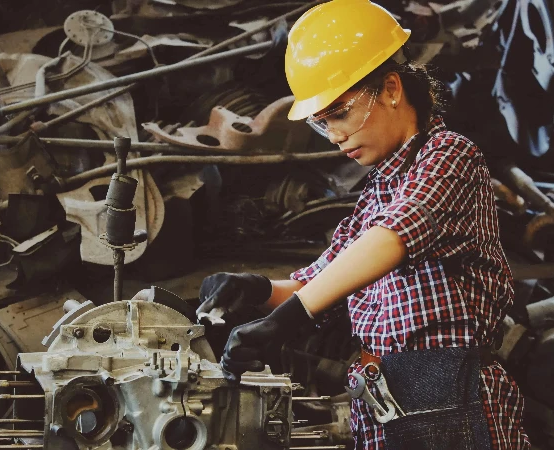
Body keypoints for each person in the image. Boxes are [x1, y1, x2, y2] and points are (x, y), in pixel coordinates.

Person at [197, 0, 530, 448]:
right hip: (382, 396)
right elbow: (321, 283)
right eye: (322, 123)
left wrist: (285, 322)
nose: (334, 135)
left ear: (391, 88)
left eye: (340, 113)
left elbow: (393, 238)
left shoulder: (449, 155)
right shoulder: (375, 195)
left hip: (446, 395)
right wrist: (254, 288)